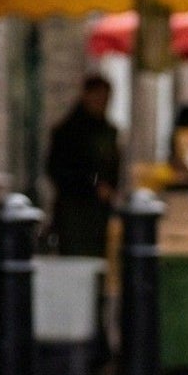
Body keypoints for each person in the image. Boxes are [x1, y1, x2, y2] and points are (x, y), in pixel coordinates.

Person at [44, 74, 121, 258]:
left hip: (99, 213)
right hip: (74, 211)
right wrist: (92, 185)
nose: (102, 103)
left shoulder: (108, 131)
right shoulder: (68, 132)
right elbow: (58, 170)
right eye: (98, 97)